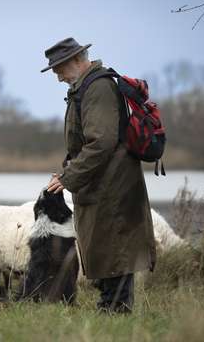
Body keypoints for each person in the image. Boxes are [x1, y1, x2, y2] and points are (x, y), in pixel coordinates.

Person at [43, 37, 156, 314]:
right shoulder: (84, 87)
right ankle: (109, 305)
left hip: (113, 184)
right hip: (99, 182)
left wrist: (69, 178)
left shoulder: (98, 88)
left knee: (114, 245)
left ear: (77, 60)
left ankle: (116, 309)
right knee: (102, 244)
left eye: (59, 69)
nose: (57, 77)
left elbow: (101, 142)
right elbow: (84, 142)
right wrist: (68, 171)